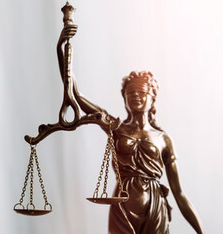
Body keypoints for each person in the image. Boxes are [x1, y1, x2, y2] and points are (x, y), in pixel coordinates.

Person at [57, 24, 205, 233]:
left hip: (155, 210)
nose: (135, 96)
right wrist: (61, 47)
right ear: (124, 98)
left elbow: (179, 193)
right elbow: (75, 96)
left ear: (152, 99)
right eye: (130, 92)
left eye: (142, 92)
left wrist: (201, 231)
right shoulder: (115, 127)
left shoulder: (163, 139)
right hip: (122, 209)